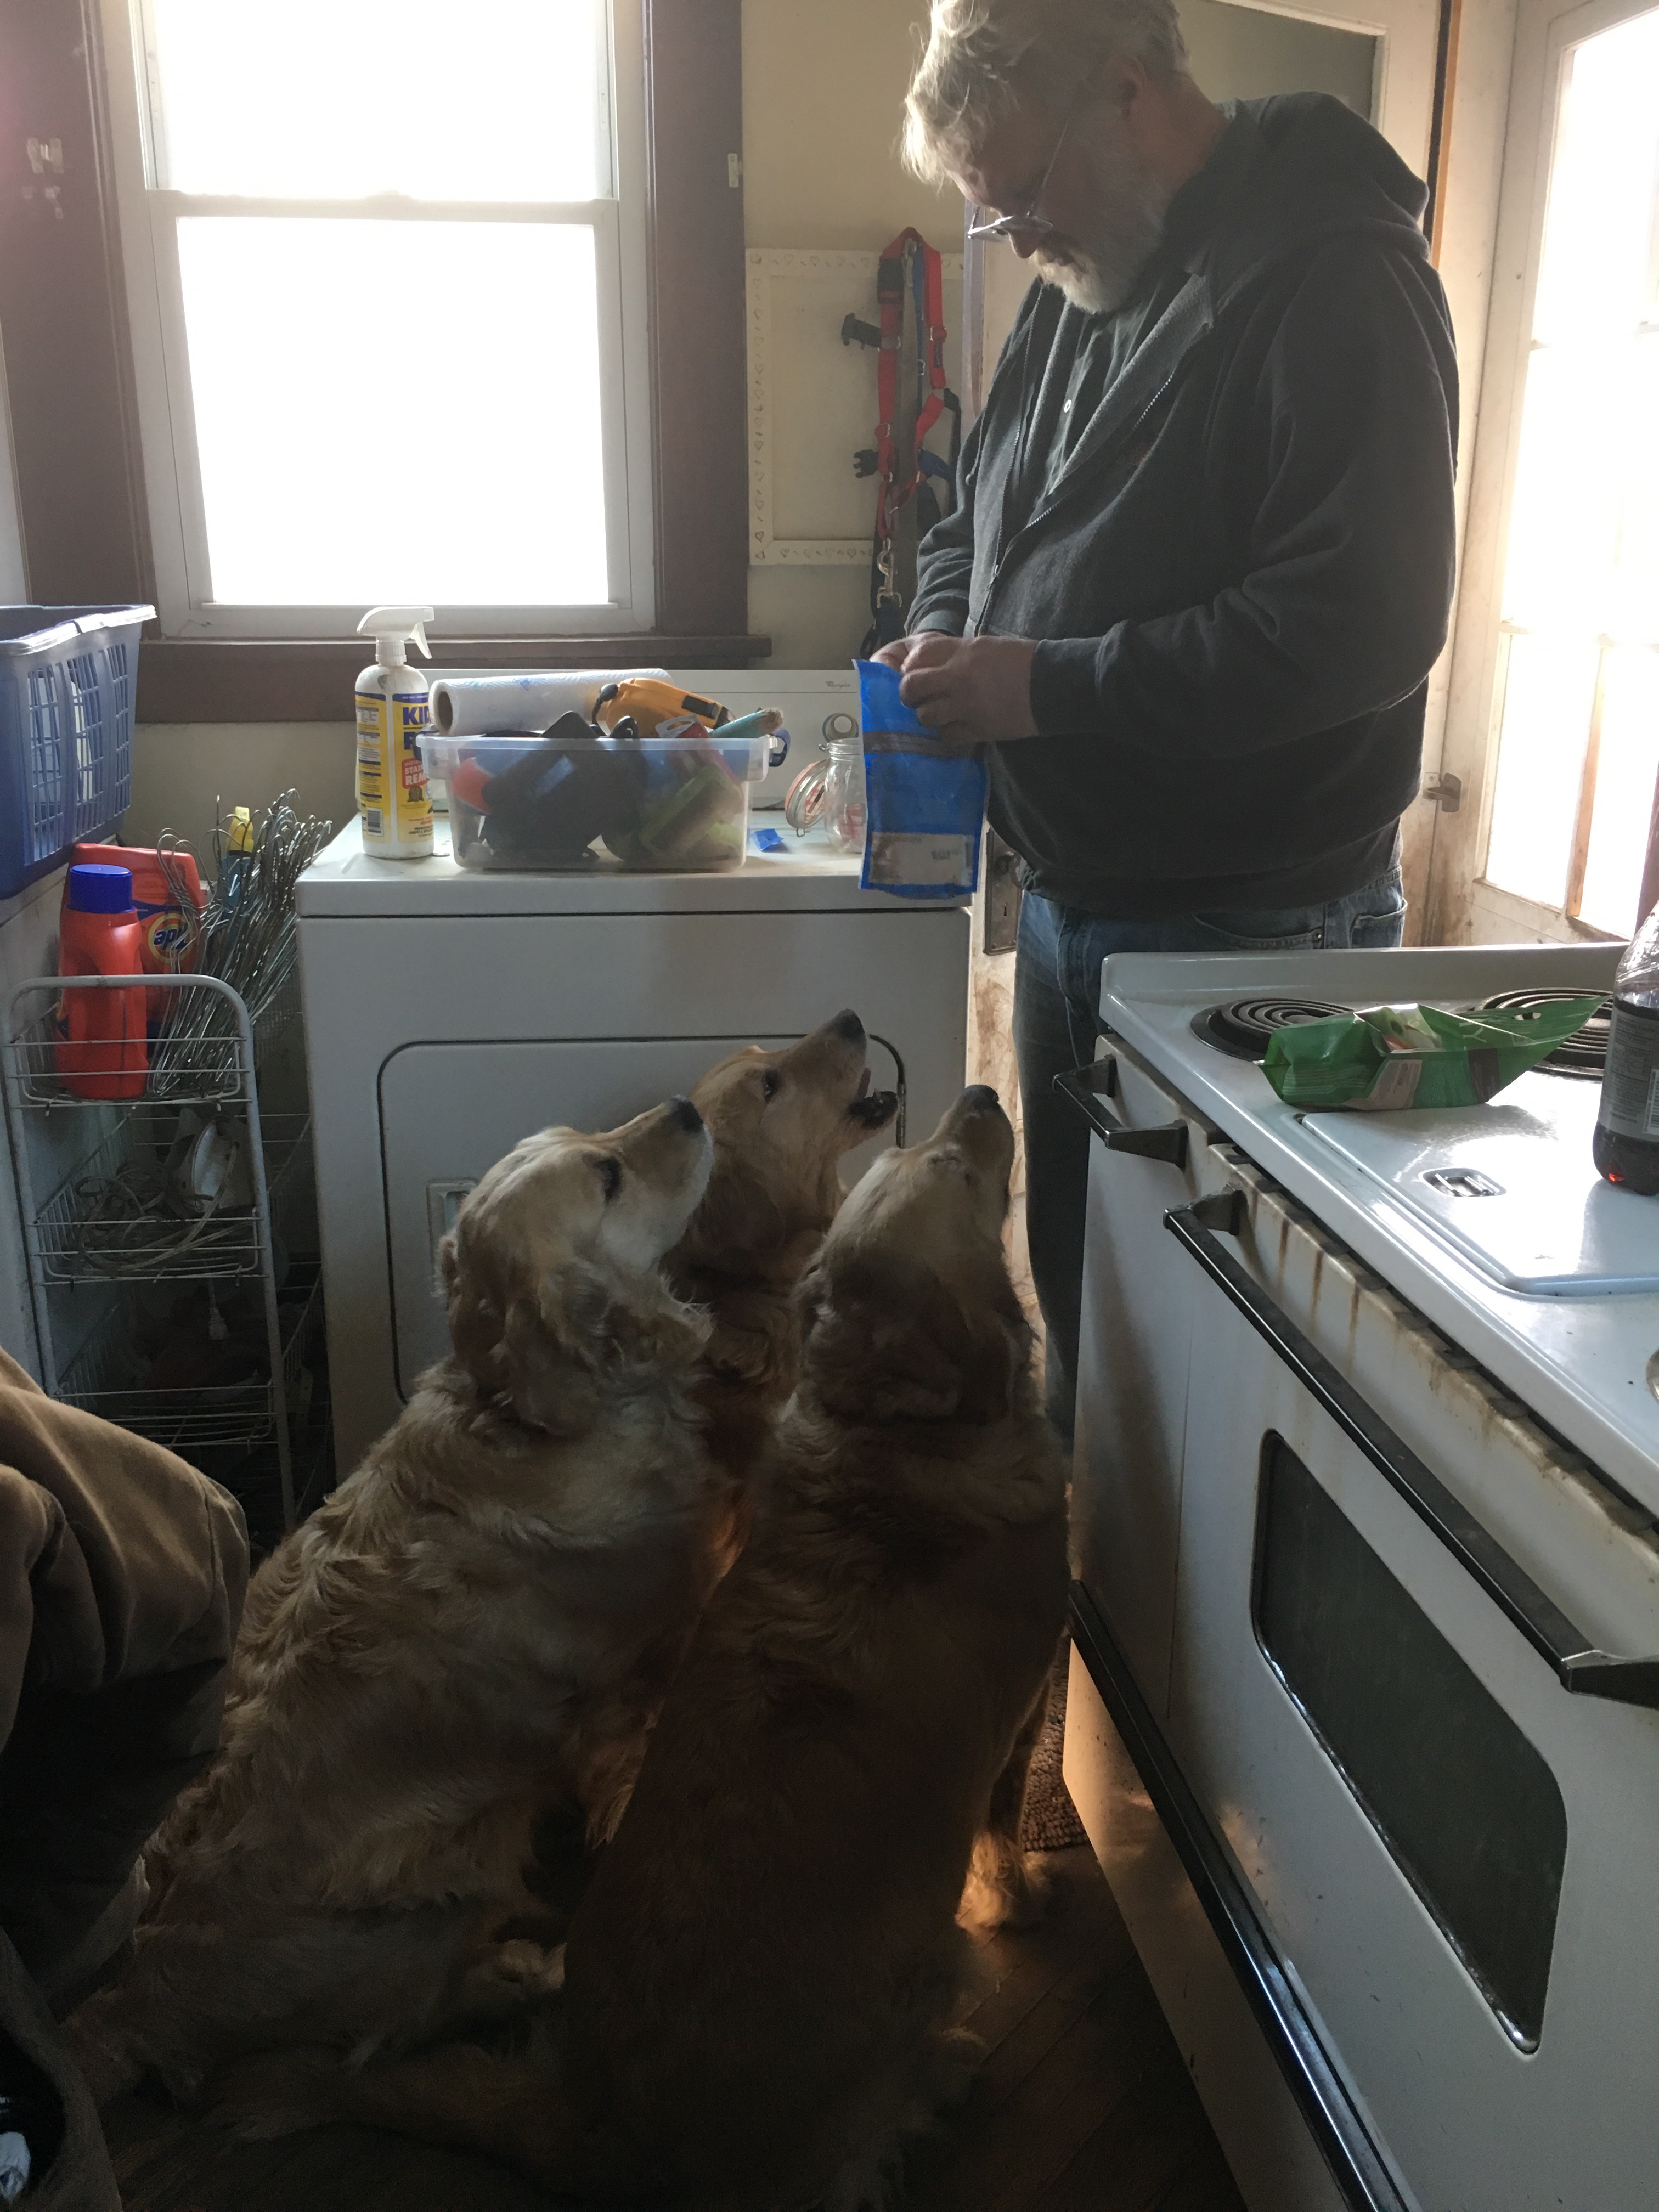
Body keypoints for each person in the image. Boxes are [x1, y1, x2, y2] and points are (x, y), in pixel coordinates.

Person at [881, 0, 1458, 1439]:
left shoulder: (1337, 276)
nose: (1016, 235)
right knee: (1095, 1330)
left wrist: (1037, 686)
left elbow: (1359, 627)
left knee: (1213, 1391)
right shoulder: (1088, 272)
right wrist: (949, 633)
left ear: (1130, 90)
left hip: (1247, 927)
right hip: (1077, 904)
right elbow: (974, 517)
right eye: (991, 212)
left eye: (1023, 191)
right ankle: (1091, 1573)